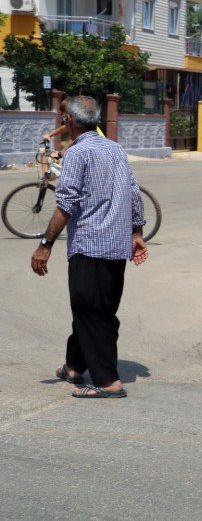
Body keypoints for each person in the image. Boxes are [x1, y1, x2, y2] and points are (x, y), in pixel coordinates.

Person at [30, 95, 147, 399]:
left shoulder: (77, 154)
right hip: (116, 245)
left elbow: (66, 204)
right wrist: (136, 231)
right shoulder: (115, 149)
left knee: (91, 311)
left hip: (90, 244)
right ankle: (74, 365)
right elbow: (134, 192)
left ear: (69, 120)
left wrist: (45, 244)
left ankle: (108, 382)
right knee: (96, 307)